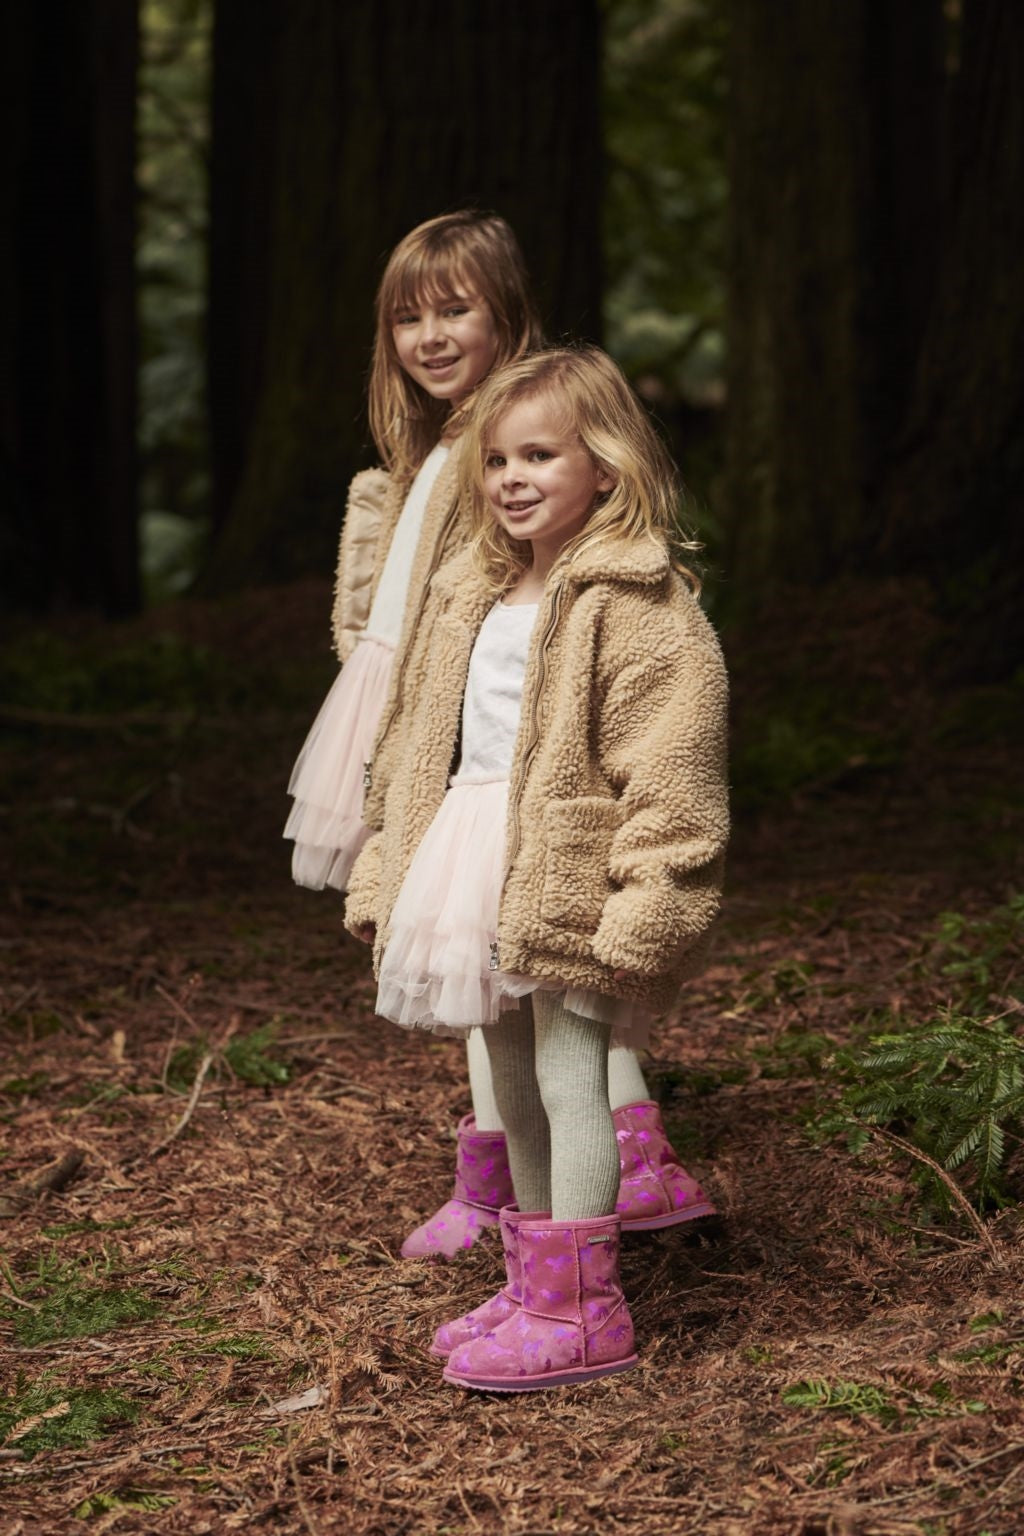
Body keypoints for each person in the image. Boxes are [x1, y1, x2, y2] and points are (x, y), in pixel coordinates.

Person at [288, 211, 712, 1261]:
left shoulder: (520, 442)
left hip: (504, 749)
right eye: (407, 318)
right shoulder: (443, 450)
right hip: (434, 715)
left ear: (506, 313)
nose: (429, 336)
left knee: (546, 982)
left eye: (455, 310)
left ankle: (620, 1171)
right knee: (479, 972)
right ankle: (517, 1197)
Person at [345, 346, 729, 1390]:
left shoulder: (639, 602)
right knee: (509, 1078)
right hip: (472, 855)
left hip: (570, 870)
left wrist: (650, 902)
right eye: (497, 460)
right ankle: (533, 1282)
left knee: (570, 1077)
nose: (512, 478)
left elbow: (674, 768)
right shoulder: (468, 590)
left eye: (540, 456)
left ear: (604, 466)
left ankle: (584, 1309)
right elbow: (415, 745)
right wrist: (386, 866)